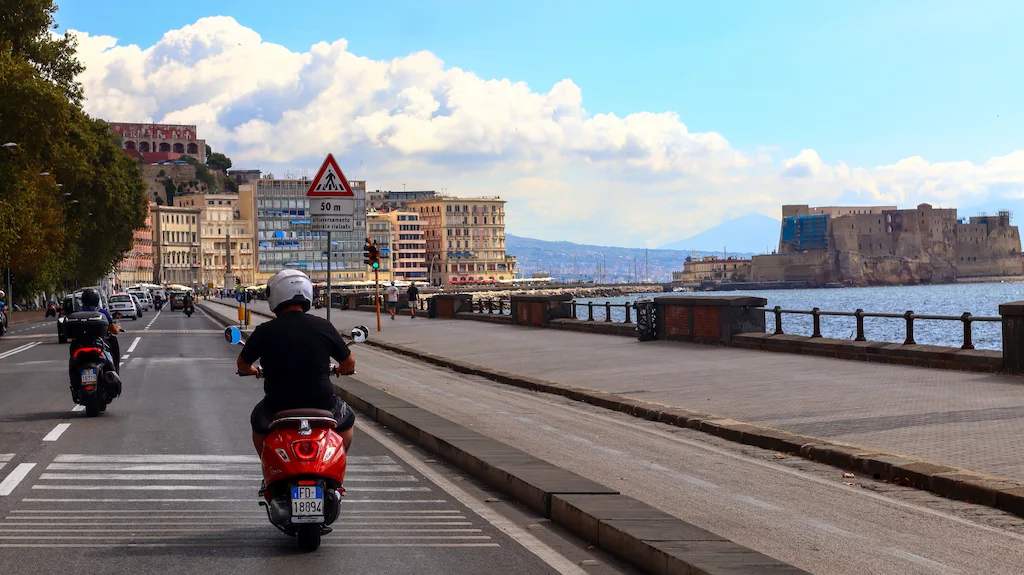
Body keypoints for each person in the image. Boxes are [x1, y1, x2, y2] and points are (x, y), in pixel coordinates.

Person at [236, 269, 357, 459]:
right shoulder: (323, 326)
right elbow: (349, 363)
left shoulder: (264, 331)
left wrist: (253, 371)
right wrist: (341, 370)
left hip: (278, 404)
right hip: (322, 402)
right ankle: (337, 465)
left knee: (258, 423)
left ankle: (268, 471)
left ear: (274, 296)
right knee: (347, 419)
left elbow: (242, 365)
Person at [80, 288, 121, 370]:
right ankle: (115, 369)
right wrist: (118, 327)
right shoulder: (103, 312)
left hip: (80, 343)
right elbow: (114, 331)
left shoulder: (76, 313)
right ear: (97, 300)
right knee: (113, 340)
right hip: (98, 343)